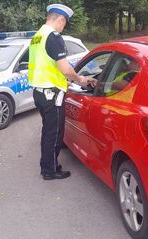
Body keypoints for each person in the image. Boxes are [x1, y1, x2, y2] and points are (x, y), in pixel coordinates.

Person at [28, 3, 95, 180]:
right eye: (64, 23)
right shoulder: (54, 37)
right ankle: (50, 170)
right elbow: (65, 69)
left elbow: (47, 65)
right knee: (55, 133)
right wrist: (80, 79)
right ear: (60, 19)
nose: (63, 27)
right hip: (52, 94)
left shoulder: (37, 37)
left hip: (39, 91)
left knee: (47, 131)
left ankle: (46, 166)